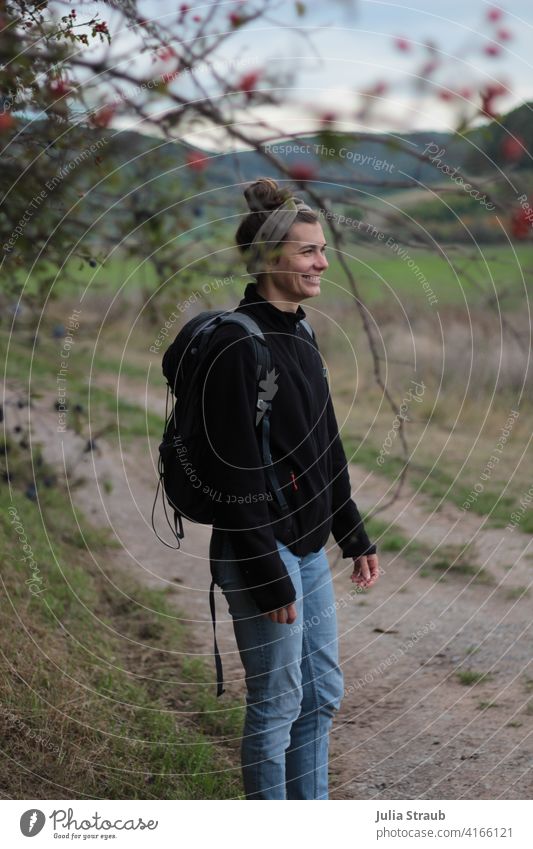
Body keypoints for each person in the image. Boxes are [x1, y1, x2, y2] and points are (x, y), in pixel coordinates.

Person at [201, 177, 380, 800]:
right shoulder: (236, 347)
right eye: (308, 251)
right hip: (261, 551)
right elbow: (234, 476)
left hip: (304, 548)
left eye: (323, 249)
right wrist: (265, 572)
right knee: (278, 704)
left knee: (321, 696)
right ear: (270, 259)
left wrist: (353, 534)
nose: (322, 263)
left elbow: (324, 447)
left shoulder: (299, 335)